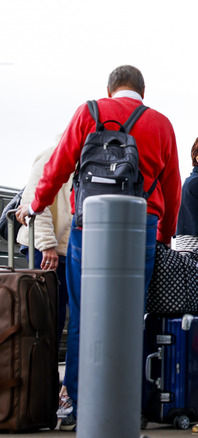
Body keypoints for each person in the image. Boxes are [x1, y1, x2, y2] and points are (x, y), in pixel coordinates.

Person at [16, 65, 181, 430]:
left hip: (88, 225)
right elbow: (172, 186)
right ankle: (126, 404)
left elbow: (58, 166)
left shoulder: (90, 111)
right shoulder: (161, 124)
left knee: (83, 314)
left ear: (110, 90)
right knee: (130, 315)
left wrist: (35, 205)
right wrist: (165, 235)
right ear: (142, 91)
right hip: (141, 227)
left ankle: (75, 402)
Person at [16, 144, 73, 414]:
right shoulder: (54, 154)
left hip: (67, 250)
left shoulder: (92, 155)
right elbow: (34, 200)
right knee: (48, 323)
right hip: (47, 248)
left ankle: (54, 394)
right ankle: (41, 396)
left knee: (56, 321)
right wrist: (47, 244)